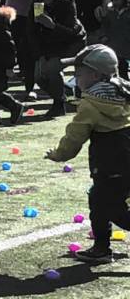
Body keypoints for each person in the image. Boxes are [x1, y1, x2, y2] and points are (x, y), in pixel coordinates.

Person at [45, 44, 130, 263]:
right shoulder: (124, 91)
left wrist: (58, 154)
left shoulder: (91, 104)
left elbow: (75, 137)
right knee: (101, 200)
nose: (76, 78)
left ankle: (102, 248)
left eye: (78, 73)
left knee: (111, 207)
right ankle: (101, 247)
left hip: (109, 164)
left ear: (94, 75)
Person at [29, 0, 86, 117]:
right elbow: (32, 32)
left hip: (72, 42)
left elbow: (71, 31)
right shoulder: (37, 4)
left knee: (51, 69)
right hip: (48, 45)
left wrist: (52, 26)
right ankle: (63, 91)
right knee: (38, 77)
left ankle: (58, 104)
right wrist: (40, 55)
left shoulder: (67, 2)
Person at [98, 0, 130, 79]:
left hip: (127, 44)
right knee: (119, 69)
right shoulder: (110, 11)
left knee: (124, 67)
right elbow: (106, 25)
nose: (114, 2)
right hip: (114, 45)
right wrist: (104, 35)